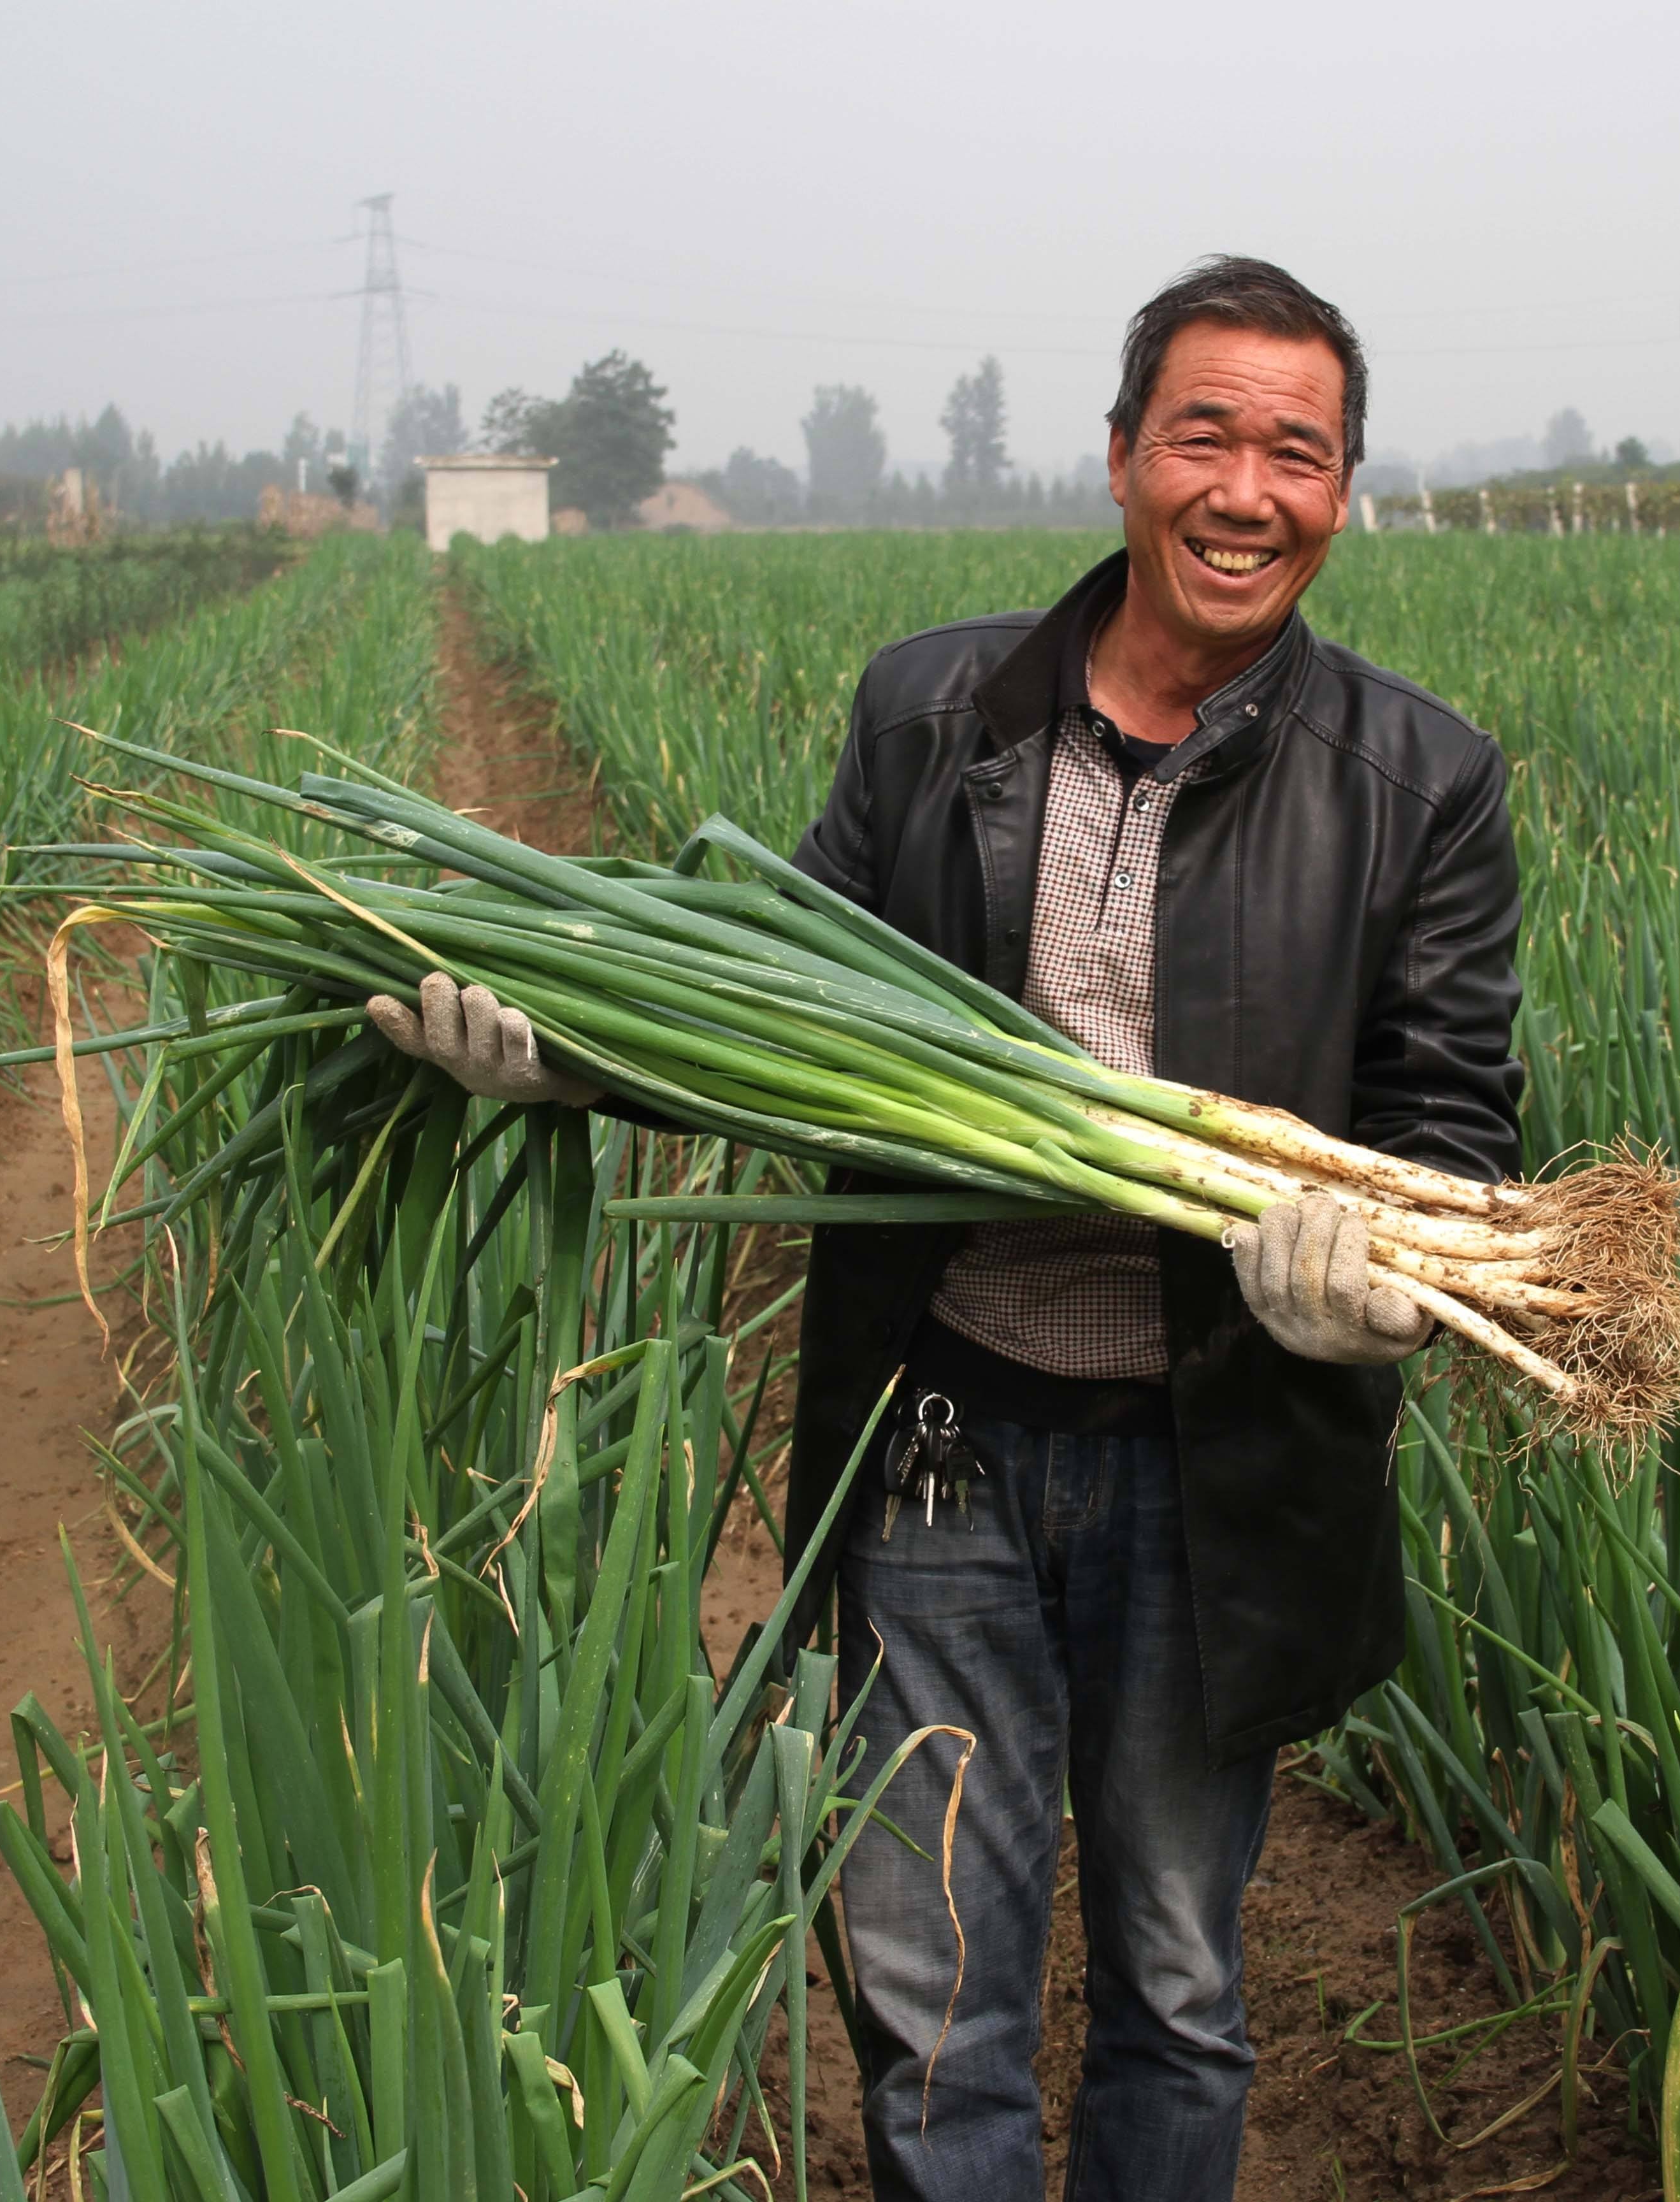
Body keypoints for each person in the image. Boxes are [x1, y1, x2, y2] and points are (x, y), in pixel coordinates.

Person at [370, 254, 1523, 2202]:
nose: (1248, 492)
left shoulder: (1418, 784)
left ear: (1344, 491)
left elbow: (1453, 1112)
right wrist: (561, 1050)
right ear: (1122, 456)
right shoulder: (934, 717)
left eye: (1299, 454)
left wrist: (1383, 1294)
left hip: (1224, 1462)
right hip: (942, 1440)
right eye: (1207, 438)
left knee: (1179, 1980)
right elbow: (778, 1006)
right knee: (929, 1988)